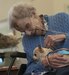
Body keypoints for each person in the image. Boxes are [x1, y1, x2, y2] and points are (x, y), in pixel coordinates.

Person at [8, 3, 69, 75]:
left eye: (27, 26)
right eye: (23, 31)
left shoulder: (62, 18)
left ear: (33, 14)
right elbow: (30, 68)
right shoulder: (26, 40)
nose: (28, 33)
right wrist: (44, 62)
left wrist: (65, 36)